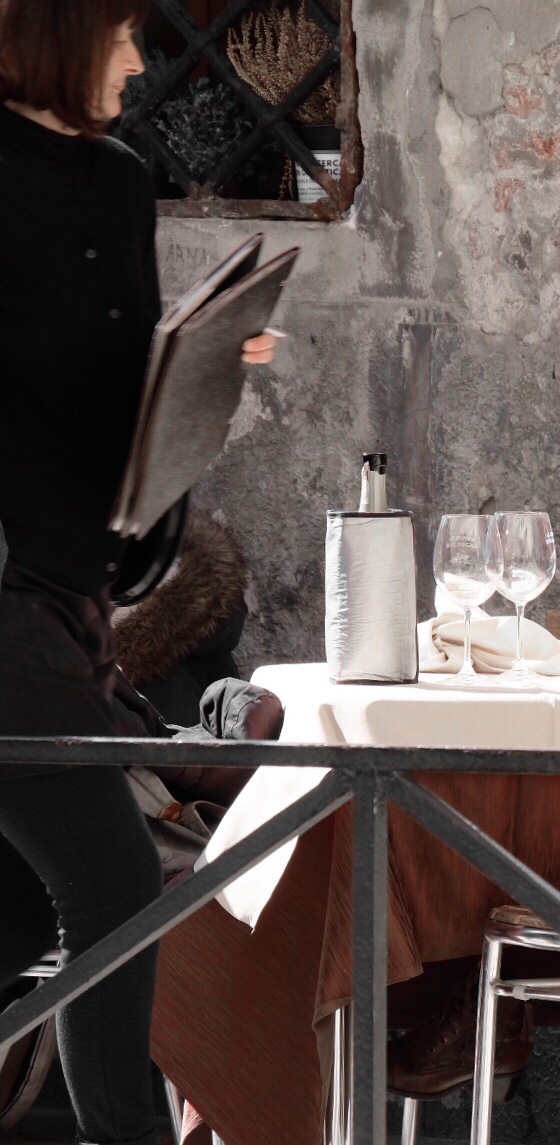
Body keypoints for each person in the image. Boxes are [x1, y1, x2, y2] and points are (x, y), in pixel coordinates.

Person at [0, 4, 276, 1142]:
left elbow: (114, 394)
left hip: (75, 595)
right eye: (116, 34)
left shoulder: (114, 181)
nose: (139, 60)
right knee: (109, 890)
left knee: (55, 906)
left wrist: (199, 362)